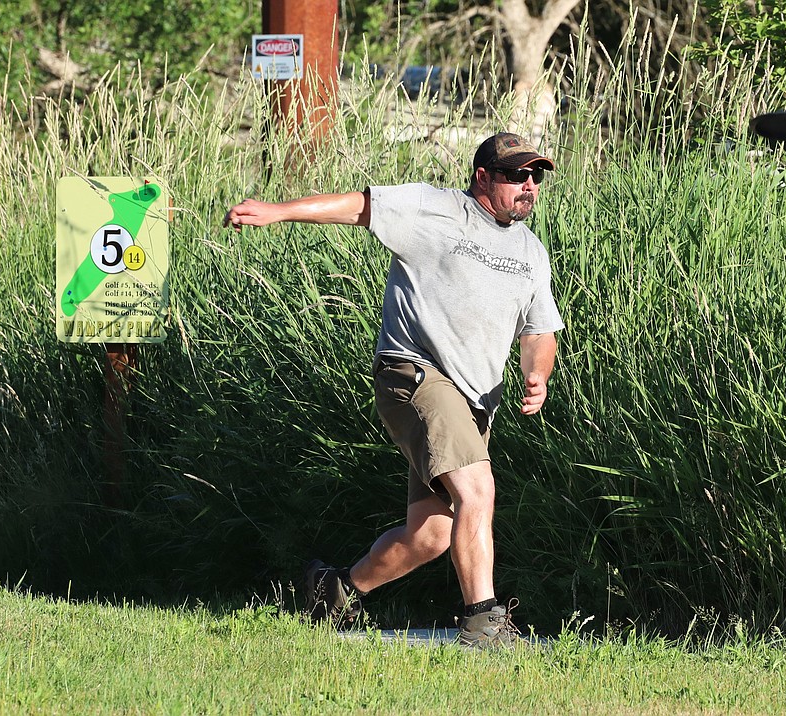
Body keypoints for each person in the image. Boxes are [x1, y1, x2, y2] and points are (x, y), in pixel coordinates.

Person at [224, 132, 563, 648]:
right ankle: (484, 621)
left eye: (535, 176)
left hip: (475, 403)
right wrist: (279, 211)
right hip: (416, 375)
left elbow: (540, 331)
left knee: (431, 535)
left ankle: (336, 591)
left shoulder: (530, 252)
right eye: (516, 175)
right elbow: (362, 206)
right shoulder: (436, 210)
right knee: (479, 490)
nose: (529, 186)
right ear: (482, 177)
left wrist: (537, 373)